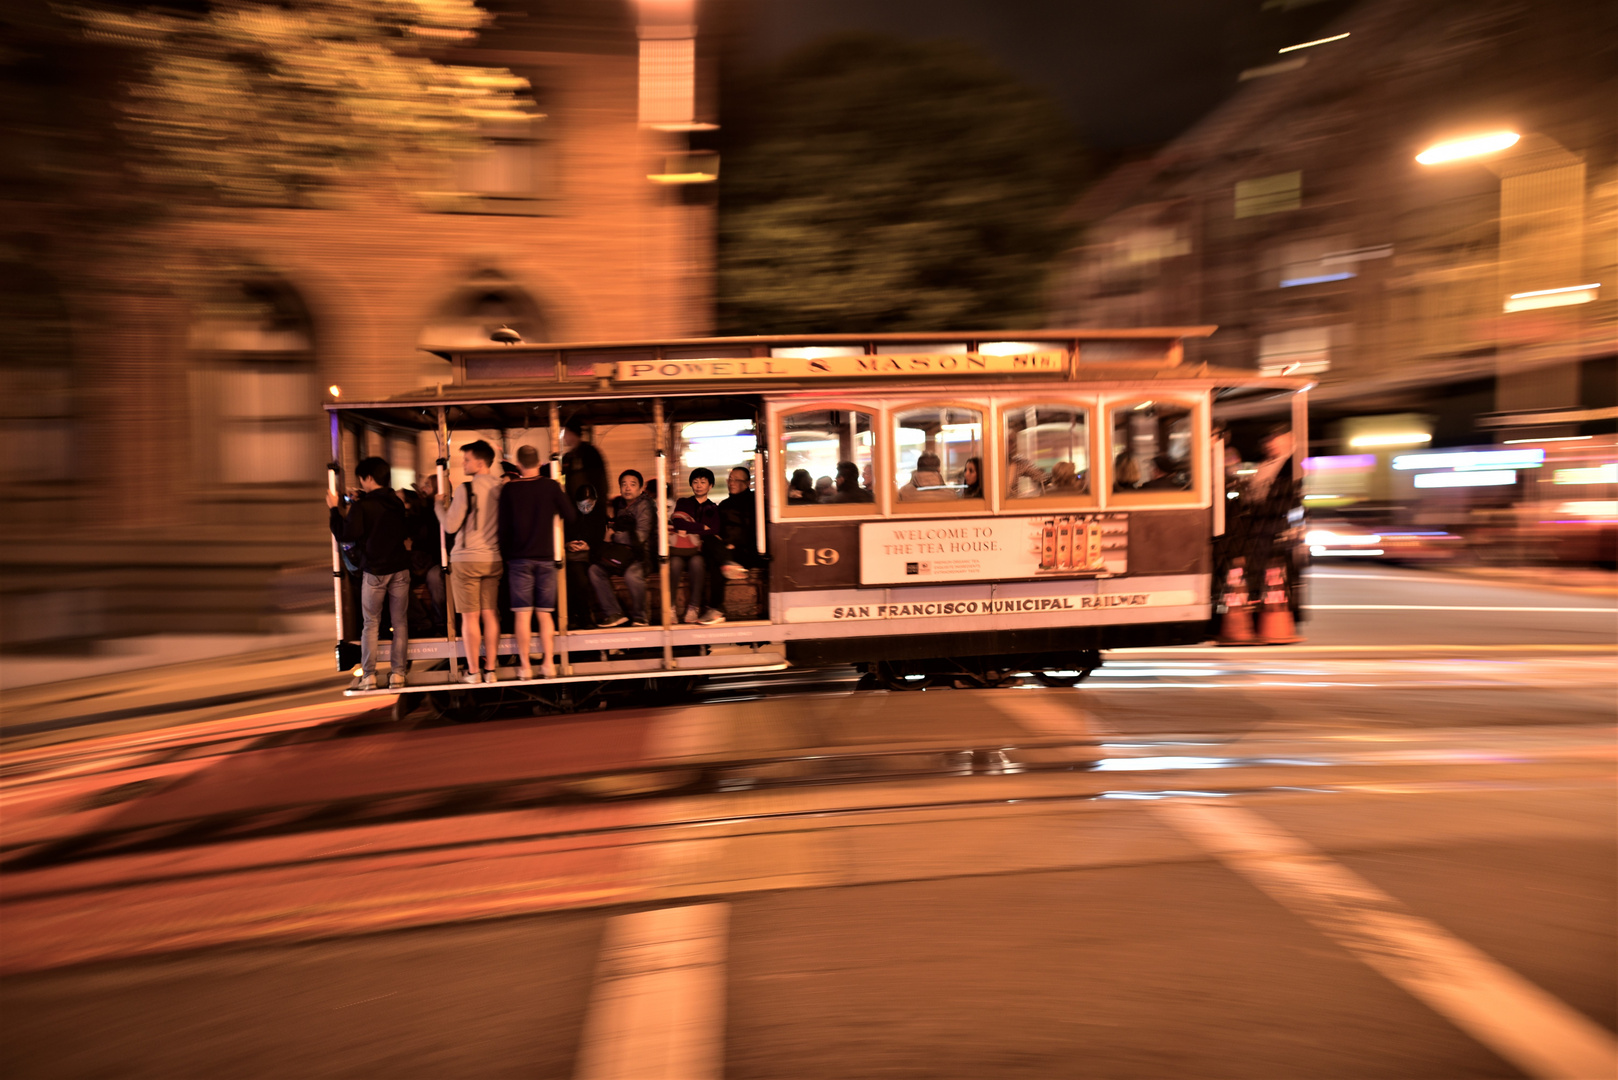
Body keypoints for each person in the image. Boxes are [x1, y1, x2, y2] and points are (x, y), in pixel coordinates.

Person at [327, 456, 411, 691]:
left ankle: (370, 675)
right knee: (400, 623)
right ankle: (398, 675)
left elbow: (346, 533)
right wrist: (360, 499)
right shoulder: (395, 502)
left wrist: (335, 508)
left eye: (362, 480)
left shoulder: (362, 507)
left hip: (375, 572)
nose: (361, 484)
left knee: (371, 624)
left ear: (369, 478)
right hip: (400, 570)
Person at [498, 443, 574, 679]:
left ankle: (524, 666)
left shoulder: (509, 490)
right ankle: (549, 664)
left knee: (522, 615)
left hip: (519, 559)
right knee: (545, 613)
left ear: (518, 465)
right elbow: (570, 515)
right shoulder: (551, 487)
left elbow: (502, 528)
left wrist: (506, 556)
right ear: (539, 462)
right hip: (546, 559)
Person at [437, 439, 505, 683]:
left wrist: (437, 505)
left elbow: (451, 525)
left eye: (466, 459)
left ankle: (474, 671)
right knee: (490, 614)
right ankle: (492, 670)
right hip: (493, 558)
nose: (463, 464)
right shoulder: (501, 487)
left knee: (470, 617)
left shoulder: (466, 489)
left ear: (479, 461)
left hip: (466, 560)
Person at [589, 469, 654, 627]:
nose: (627, 488)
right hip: (622, 555)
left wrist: (613, 535)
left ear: (640, 489)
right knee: (595, 570)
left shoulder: (645, 506)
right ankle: (614, 613)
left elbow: (640, 536)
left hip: (641, 556)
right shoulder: (620, 506)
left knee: (632, 575)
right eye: (624, 484)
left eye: (632, 484)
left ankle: (641, 616)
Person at [669, 467, 724, 624]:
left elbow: (714, 530)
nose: (699, 485)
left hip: (699, 551)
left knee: (697, 563)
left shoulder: (713, 508)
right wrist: (701, 528)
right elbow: (678, 522)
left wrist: (689, 528)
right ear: (691, 484)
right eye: (695, 482)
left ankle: (694, 607)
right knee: (674, 563)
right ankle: (670, 607)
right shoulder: (684, 502)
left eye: (703, 482)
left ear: (710, 486)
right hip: (680, 548)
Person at [564, 483, 607, 629]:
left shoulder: (599, 515)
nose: (586, 509)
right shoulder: (569, 515)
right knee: (575, 575)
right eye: (582, 506)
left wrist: (589, 546)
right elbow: (561, 536)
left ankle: (581, 616)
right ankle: (581, 616)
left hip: (591, 556)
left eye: (589, 505)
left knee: (578, 576)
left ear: (595, 501)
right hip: (572, 557)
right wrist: (567, 544)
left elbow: (602, 541)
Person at [561, 417, 608, 508]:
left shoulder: (590, 452)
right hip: (575, 507)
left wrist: (599, 502)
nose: (564, 437)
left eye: (566, 433)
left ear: (572, 433)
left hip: (591, 506)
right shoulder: (568, 457)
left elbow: (599, 479)